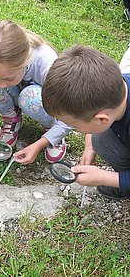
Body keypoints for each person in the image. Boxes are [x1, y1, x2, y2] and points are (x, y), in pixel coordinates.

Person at [0, 20, 71, 165]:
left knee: (29, 97)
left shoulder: (47, 66)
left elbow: (70, 113)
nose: (1, 85)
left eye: (9, 78)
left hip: (43, 100)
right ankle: (11, 118)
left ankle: (52, 128)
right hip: (18, 94)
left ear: (25, 61)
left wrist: (40, 144)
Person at [42, 44, 130, 200]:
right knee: (99, 139)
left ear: (102, 119)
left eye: (74, 125)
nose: (75, 129)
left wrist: (107, 177)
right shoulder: (115, 88)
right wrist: (89, 147)